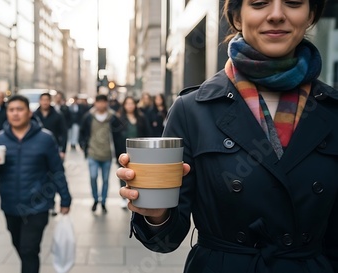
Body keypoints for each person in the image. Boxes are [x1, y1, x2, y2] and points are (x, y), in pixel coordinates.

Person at [117, 0, 338, 272]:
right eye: (259, 3)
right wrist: (155, 214)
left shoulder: (332, 109)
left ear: (311, 14)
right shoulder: (192, 109)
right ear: (236, 16)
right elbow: (166, 241)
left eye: (293, 2)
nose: (277, 15)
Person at [0, 95, 71, 273]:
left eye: (19, 109)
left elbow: (57, 170)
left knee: (29, 249)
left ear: (29, 112)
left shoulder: (45, 138)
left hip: (38, 205)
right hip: (10, 205)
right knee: (19, 245)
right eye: (11, 110)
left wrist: (65, 198)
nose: (15, 114)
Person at [79, 94, 124, 213]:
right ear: (95, 103)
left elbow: (119, 134)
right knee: (93, 177)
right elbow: (82, 132)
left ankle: (103, 201)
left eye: (103, 102)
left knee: (105, 180)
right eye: (99, 102)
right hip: (92, 153)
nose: (101, 105)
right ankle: (95, 199)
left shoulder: (113, 117)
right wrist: (84, 146)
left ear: (106, 103)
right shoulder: (88, 116)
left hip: (107, 154)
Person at [33, 92, 68, 216]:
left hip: (55, 151)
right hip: (38, 152)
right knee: (42, 177)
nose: (45, 103)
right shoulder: (34, 115)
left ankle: (52, 203)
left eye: (47, 100)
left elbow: (64, 133)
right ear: (40, 101)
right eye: (42, 100)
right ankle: (45, 201)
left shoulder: (58, 115)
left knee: (53, 177)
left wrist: (63, 150)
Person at [116, 96, 152, 209]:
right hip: (124, 150)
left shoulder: (141, 118)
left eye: (132, 103)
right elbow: (115, 137)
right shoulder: (119, 119)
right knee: (125, 174)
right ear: (124, 106)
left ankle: (139, 195)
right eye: (127, 103)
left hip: (140, 151)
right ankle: (124, 197)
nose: (130, 106)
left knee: (138, 174)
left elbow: (148, 133)